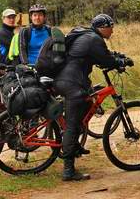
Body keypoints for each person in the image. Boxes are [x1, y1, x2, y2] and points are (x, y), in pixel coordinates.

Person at [54, 14, 129, 181]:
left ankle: (75, 144)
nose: (113, 30)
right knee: (72, 125)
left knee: (89, 102)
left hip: (69, 79)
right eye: (111, 27)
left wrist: (119, 56)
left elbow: (103, 55)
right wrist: (120, 63)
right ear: (103, 27)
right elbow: (107, 60)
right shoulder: (94, 39)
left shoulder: (88, 36)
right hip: (71, 83)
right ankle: (68, 170)